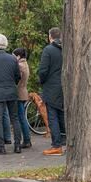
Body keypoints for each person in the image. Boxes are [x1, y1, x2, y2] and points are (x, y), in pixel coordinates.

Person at [39, 27, 65, 156]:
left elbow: (43, 70)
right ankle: (65, 140)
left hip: (51, 86)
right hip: (64, 85)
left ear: (50, 37)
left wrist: (42, 81)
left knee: (52, 116)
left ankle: (57, 145)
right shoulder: (66, 49)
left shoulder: (48, 50)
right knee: (61, 114)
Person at [13, 47, 32, 149]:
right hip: (24, 92)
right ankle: (27, 139)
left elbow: (17, 79)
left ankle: (27, 140)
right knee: (22, 116)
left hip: (19, 93)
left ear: (18, 56)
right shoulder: (25, 64)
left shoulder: (19, 66)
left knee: (21, 117)